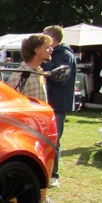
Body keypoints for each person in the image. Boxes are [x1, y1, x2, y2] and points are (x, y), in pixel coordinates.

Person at [40, 25, 77, 188]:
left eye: (45, 35)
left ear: (53, 39)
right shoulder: (50, 55)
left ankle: (53, 174)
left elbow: (61, 78)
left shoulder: (65, 56)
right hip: (45, 103)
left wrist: (45, 64)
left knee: (54, 140)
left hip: (57, 105)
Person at [6, 33, 53, 102]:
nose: (51, 50)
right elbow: (14, 104)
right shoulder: (18, 77)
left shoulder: (38, 73)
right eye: (47, 47)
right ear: (37, 51)